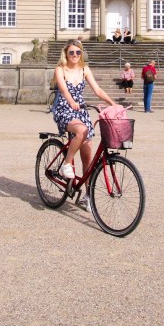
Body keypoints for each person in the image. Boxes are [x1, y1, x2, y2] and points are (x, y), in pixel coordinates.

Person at [52, 39, 116, 210]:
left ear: (81, 54)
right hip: (64, 108)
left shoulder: (85, 69)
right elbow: (64, 90)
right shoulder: (60, 69)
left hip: (81, 110)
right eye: (71, 52)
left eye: (77, 52)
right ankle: (66, 164)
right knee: (82, 130)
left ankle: (87, 195)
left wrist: (112, 103)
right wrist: (72, 101)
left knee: (88, 156)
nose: (74, 55)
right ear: (66, 54)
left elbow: (98, 90)